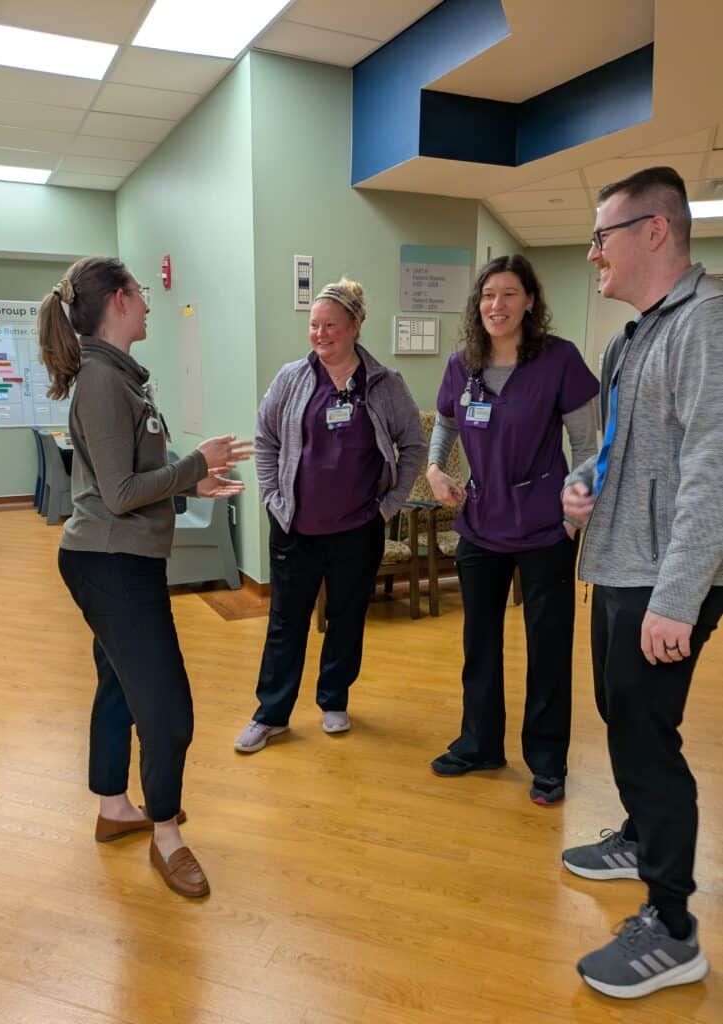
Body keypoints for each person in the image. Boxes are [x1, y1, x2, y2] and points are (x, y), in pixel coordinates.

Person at [38, 257, 252, 898]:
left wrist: (194, 480)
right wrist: (194, 463)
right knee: (168, 709)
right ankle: (167, 836)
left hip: (119, 559)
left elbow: (126, 486)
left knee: (119, 685)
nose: (151, 302)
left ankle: (113, 808)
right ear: (119, 301)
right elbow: (122, 491)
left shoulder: (122, 378)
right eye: (143, 292)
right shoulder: (103, 381)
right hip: (110, 566)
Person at [560, 166, 723, 998]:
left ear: (653, 231)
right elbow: (624, 442)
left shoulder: (707, 324)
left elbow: (711, 468)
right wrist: (581, 479)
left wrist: (676, 596)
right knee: (620, 719)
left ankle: (672, 926)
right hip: (618, 560)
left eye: (602, 235)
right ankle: (636, 837)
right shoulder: (627, 340)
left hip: (662, 575)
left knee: (647, 740)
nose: (593, 253)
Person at [426, 254, 599, 804]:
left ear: (529, 301)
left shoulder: (559, 360)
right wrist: (434, 469)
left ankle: (547, 762)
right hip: (481, 522)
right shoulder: (463, 364)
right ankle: (479, 743)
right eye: (486, 297)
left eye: (507, 294)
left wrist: (574, 515)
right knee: (479, 642)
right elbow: (448, 423)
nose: (495, 306)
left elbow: (589, 448)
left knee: (547, 646)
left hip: (546, 528)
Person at [234, 277, 425, 754]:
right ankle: (271, 714)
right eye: (314, 326)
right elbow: (265, 439)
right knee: (285, 622)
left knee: (346, 618)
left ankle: (334, 700)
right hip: (295, 528)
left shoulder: (384, 385)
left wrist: (390, 505)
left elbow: (413, 445)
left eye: (331, 326)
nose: (320, 335)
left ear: (356, 327)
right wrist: (272, 499)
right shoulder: (292, 379)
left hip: (358, 531)